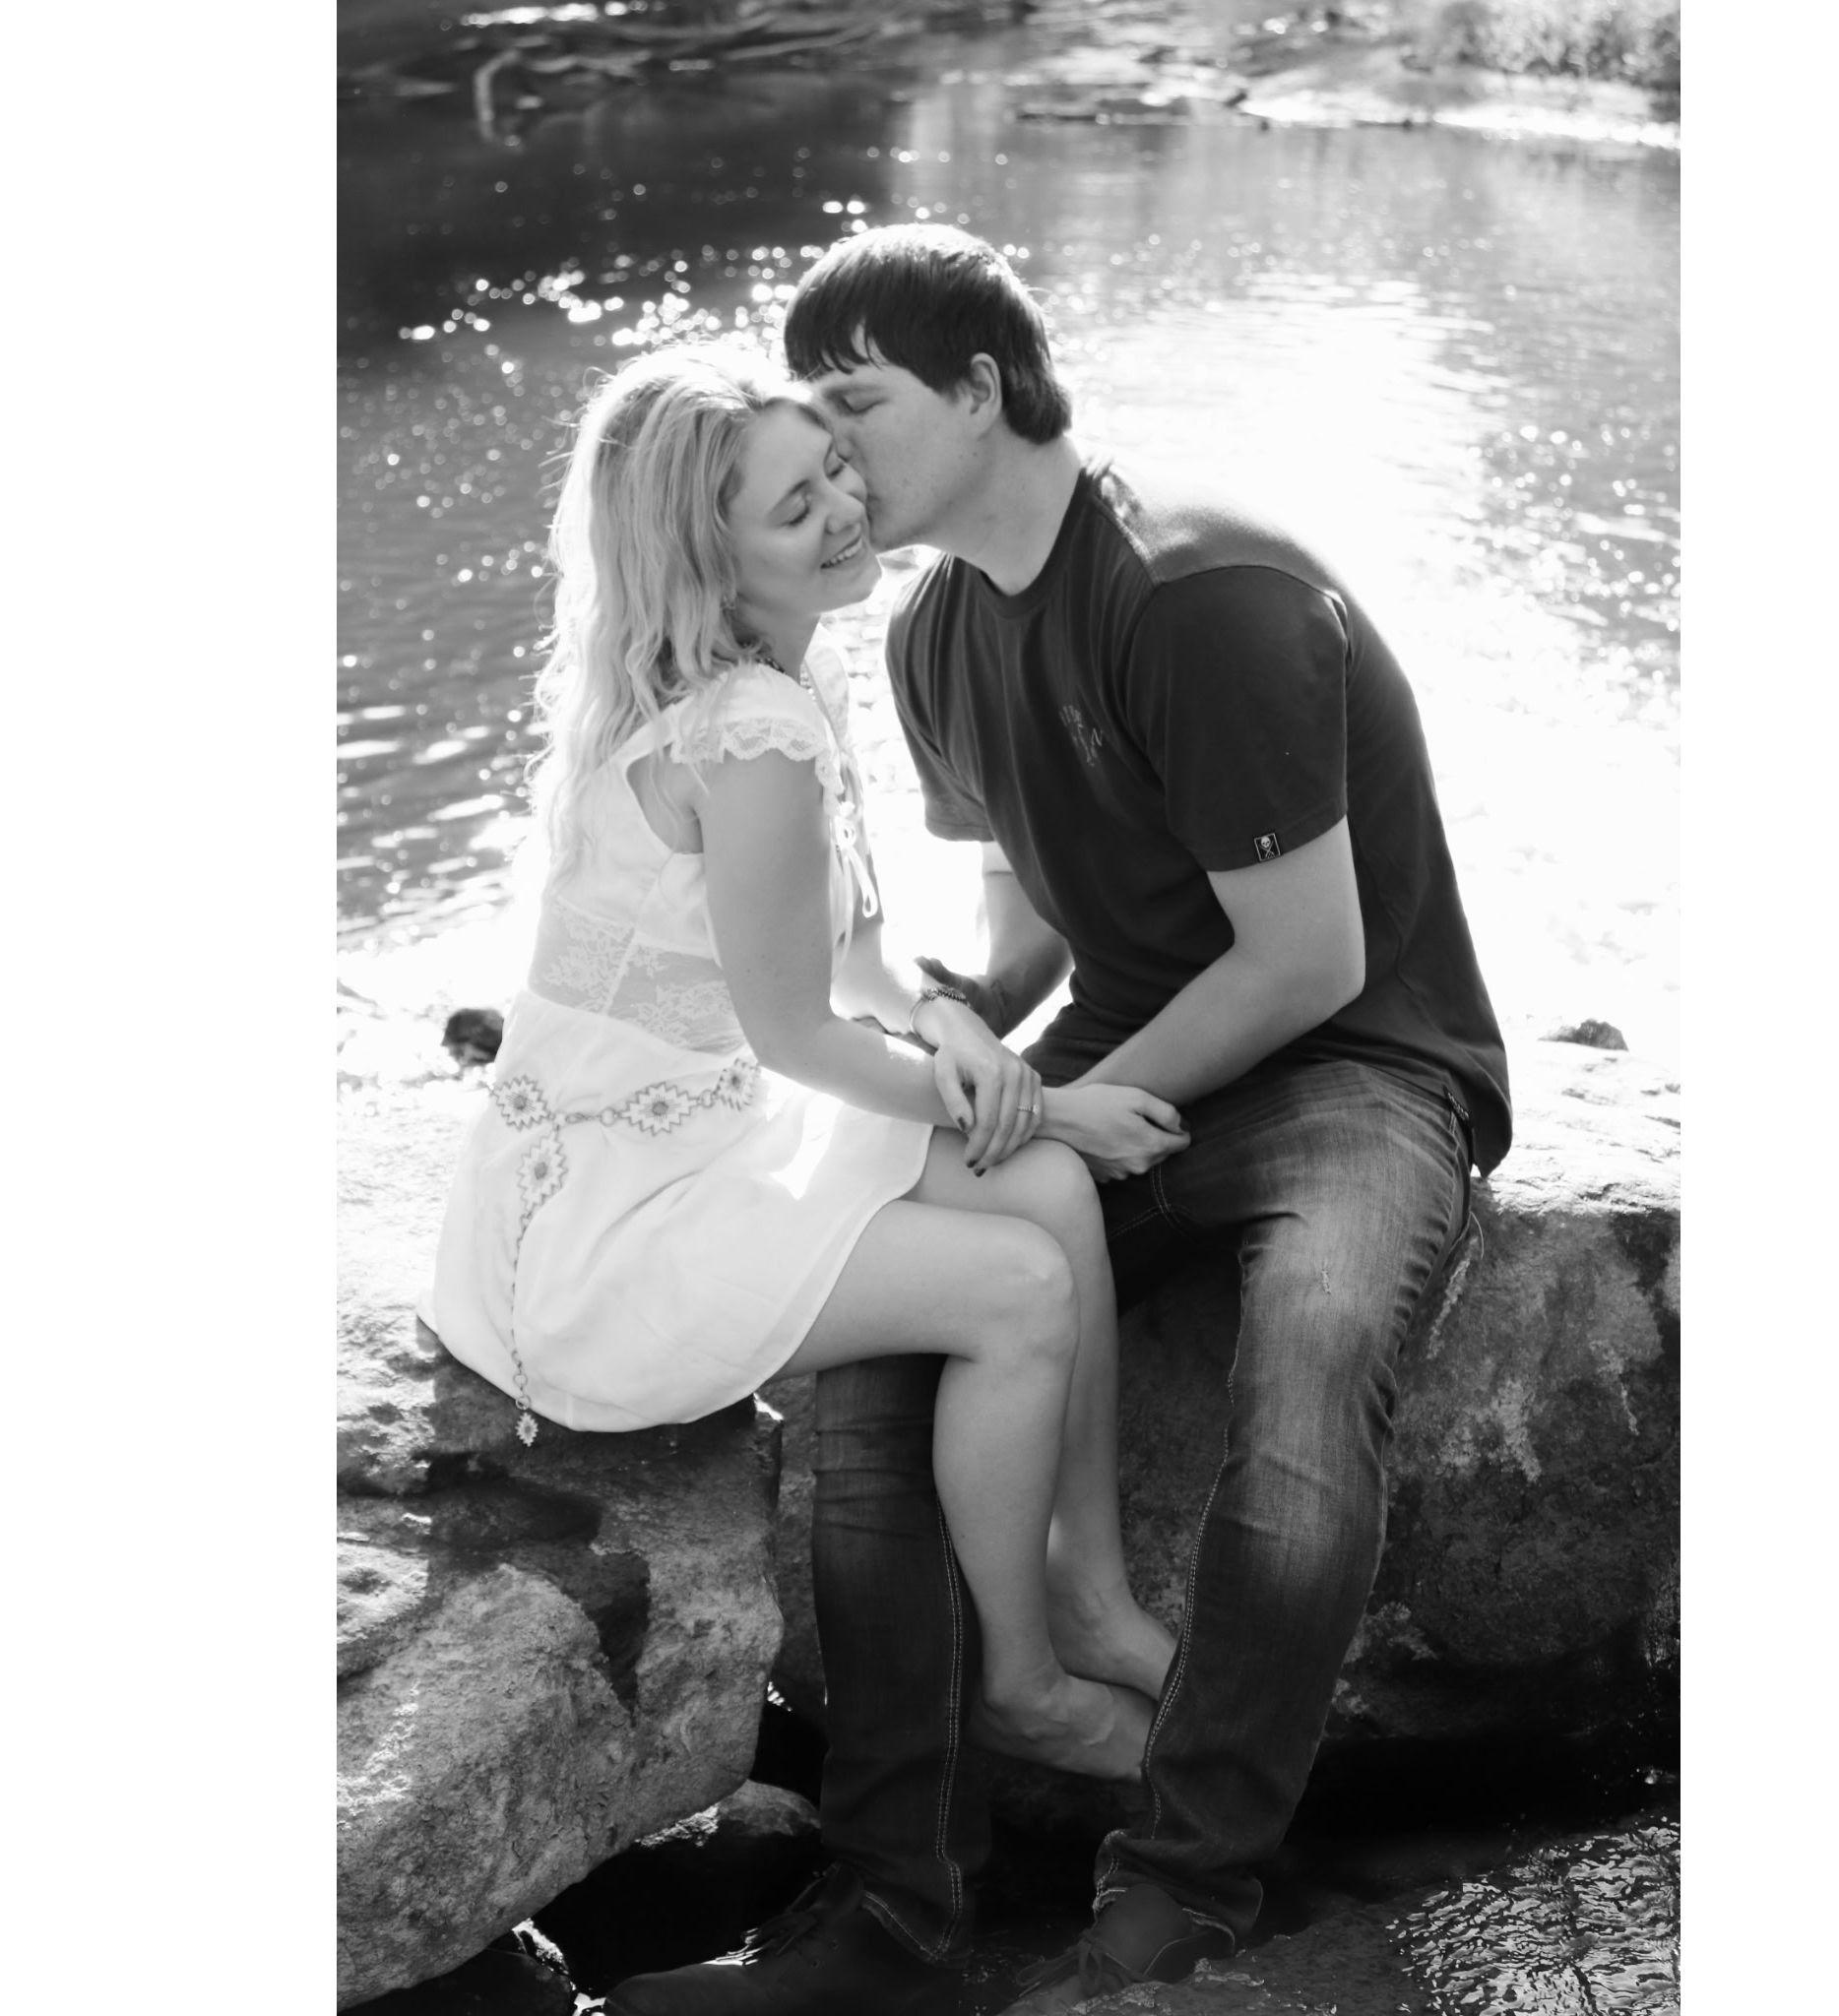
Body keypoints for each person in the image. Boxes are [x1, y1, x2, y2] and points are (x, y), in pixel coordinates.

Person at [603, 228, 1512, 2015]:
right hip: (1128, 1057)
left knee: (1315, 1361)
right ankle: (893, 1910)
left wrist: (1079, 1117)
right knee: (883, 1329)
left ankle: (1182, 1892)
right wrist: (948, 1027)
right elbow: (1027, 926)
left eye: (858, 404)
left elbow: (1312, 957)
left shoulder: (1195, 592)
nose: (833, 457)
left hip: (1360, 1065)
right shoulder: (936, 630)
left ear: (982, 389)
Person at [426, 345, 1186, 1809]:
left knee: (1044, 1190)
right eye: (795, 507)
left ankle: (1093, 1595)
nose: (847, 507)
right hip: (608, 1237)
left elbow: (859, 962)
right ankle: (1025, 1687)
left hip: (689, 1140)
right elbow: (799, 1038)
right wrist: (1051, 1098)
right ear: (710, 562)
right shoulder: (747, 734)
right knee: (1019, 1282)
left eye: (834, 467)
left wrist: (955, 1028)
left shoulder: (791, 674)